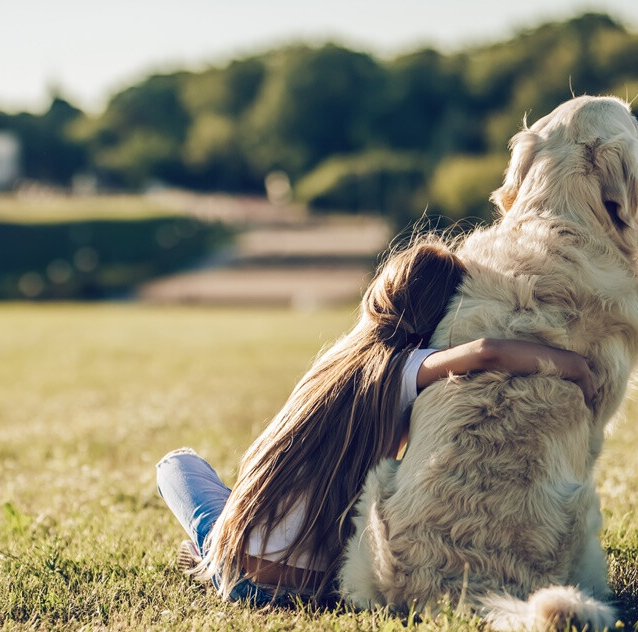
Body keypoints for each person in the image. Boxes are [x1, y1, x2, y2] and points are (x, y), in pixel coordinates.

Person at [155, 234, 596, 606]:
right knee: (248, 506)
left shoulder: (338, 363)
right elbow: (486, 351)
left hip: (244, 577)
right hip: (319, 586)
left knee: (177, 465)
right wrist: (573, 365)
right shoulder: (406, 369)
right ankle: (210, 550)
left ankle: (209, 553)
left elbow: (485, 351)